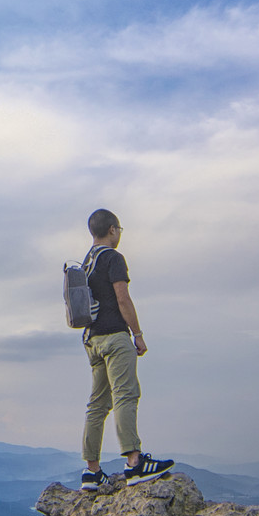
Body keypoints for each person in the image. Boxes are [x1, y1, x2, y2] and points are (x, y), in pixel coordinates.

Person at [78, 208, 174, 491]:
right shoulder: (113, 258)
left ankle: (91, 471)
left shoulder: (86, 262)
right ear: (112, 229)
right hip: (114, 338)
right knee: (125, 395)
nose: (119, 234)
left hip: (92, 340)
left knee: (97, 405)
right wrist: (138, 334)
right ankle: (135, 463)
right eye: (119, 230)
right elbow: (123, 298)